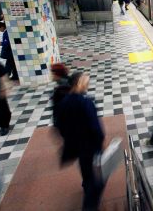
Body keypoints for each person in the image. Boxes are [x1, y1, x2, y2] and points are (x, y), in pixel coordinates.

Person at [57, 72, 105, 210]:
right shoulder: (86, 103)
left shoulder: (63, 103)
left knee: (85, 167)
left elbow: (60, 126)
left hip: (75, 145)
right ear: (78, 83)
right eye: (86, 81)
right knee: (97, 180)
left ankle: (86, 183)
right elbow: (95, 127)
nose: (88, 84)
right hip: (90, 145)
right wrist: (100, 142)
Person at [50, 63, 70, 128]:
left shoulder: (61, 90)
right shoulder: (70, 81)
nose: (51, 76)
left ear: (57, 74)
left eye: (52, 74)